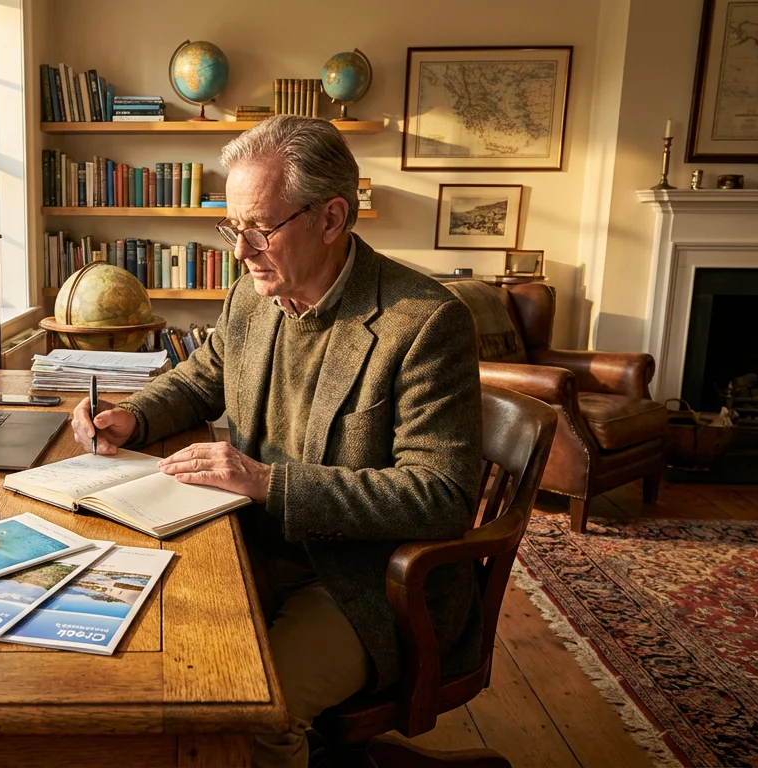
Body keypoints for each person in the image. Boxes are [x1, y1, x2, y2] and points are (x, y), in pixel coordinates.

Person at [71, 115, 484, 768]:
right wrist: (134, 417)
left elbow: (441, 495)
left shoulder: (425, 324)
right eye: (232, 228)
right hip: (248, 546)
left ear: (331, 218)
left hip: (362, 581)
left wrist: (267, 483)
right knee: (131, 649)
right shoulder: (252, 297)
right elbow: (202, 377)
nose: (241, 250)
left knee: (252, 712)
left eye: (259, 228)